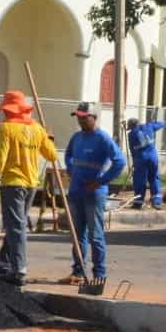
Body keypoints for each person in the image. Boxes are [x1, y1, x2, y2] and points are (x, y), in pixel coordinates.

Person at [0, 90, 57, 286]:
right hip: (32, 184)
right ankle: (3, 264)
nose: (4, 114)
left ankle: (19, 270)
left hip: (13, 184)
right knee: (16, 225)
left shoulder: (6, 128)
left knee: (16, 227)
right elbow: (52, 156)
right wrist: (48, 138)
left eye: (6, 110)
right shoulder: (37, 128)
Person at [61, 101, 126, 285]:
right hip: (76, 191)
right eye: (78, 118)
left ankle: (99, 274)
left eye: (84, 117)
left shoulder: (103, 139)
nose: (80, 121)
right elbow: (68, 155)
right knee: (77, 233)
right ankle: (78, 272)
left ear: (94, 117)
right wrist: (71, 168)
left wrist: (100, 181)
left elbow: (120, 162)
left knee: (95, 234)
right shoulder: (77, 138)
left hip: (94, 193)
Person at [127, 116, 166, 209]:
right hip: (153, 157)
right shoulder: (149, 126)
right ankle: (157, 202)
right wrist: (153, 122)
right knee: (154, 178)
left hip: (141, 159)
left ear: (131, 127)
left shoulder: (131, 135)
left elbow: (132, 151)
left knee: (140, 180)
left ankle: (138, 202)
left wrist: (134, 162)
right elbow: (162, 124)